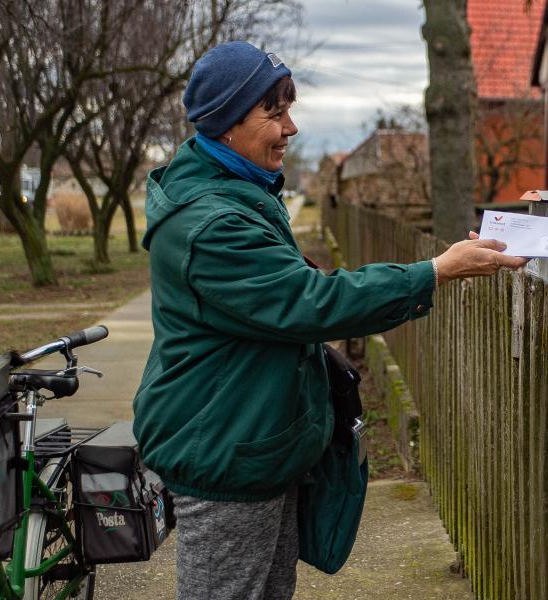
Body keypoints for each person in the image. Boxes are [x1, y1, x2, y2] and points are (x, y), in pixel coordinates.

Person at [132, 41, 527, 600]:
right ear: (224, 126)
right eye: (274, 112)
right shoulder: (212, 223)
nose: (290, 127)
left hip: (252, 440)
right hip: (224, 447)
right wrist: (433, 272)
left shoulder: (238, 194)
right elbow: (310, 302)